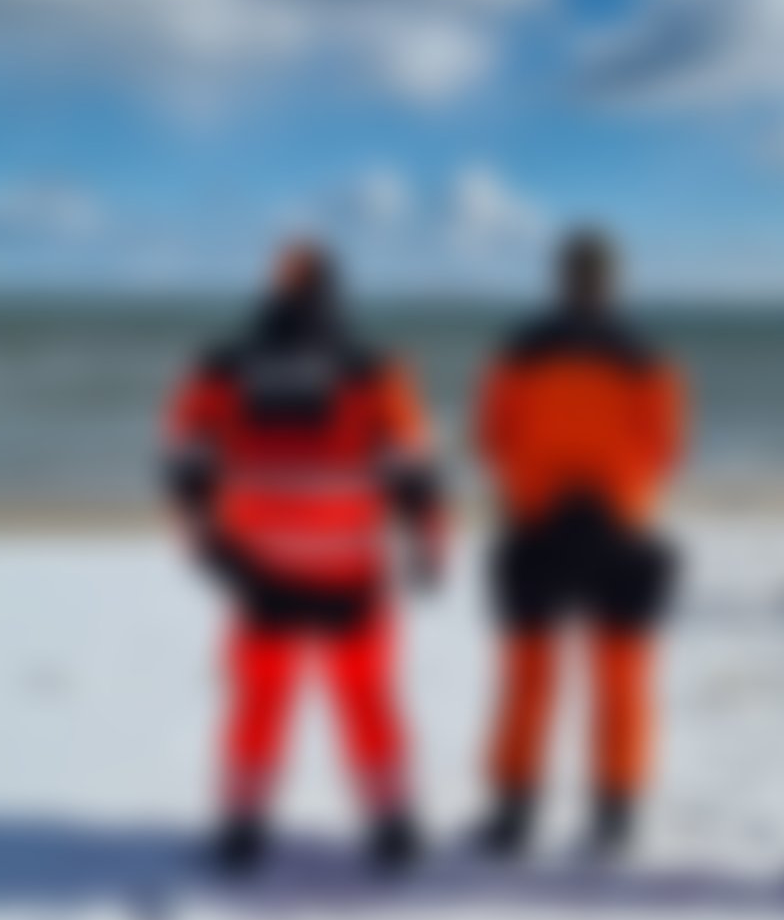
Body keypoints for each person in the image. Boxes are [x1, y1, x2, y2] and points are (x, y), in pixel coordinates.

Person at [162, 243, 446, 878]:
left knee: (259, 700)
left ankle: (242, 824)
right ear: (334, 293)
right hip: (349, 570)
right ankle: (392, 823)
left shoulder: (221, 368)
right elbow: (414, 471)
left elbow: (184, 463)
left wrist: (203, 544)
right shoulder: (375, 371)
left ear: (272, 292)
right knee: (368, 699)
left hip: (261, 570)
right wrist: (429, 548)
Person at [470, 230, 687, 862]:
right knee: (622, 677)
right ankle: (615, 811)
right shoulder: (648, 355)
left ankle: (515, 811)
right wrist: (620, 487)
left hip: (535, 520)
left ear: (559, 279)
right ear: (613, 283)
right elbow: (667, 447)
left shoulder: (519, 349)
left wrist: (533, 480)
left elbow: (490, 438)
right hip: (619, 525)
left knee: (528, 677)